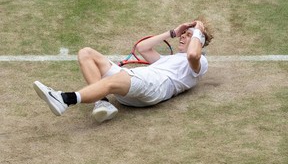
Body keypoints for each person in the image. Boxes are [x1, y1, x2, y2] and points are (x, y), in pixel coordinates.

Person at [33, 16, 213, 123]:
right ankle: (102, 102)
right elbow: (142, 48)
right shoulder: (167, 60)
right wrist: (172, 32)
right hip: (138, 87)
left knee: (113, 80)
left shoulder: (200, 62)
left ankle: (65, 99)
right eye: (184, 34)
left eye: (188, 35)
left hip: (156, 85)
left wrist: (198, 30)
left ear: (199, 41)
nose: (183, 36)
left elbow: (193, 55)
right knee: (86, 53)